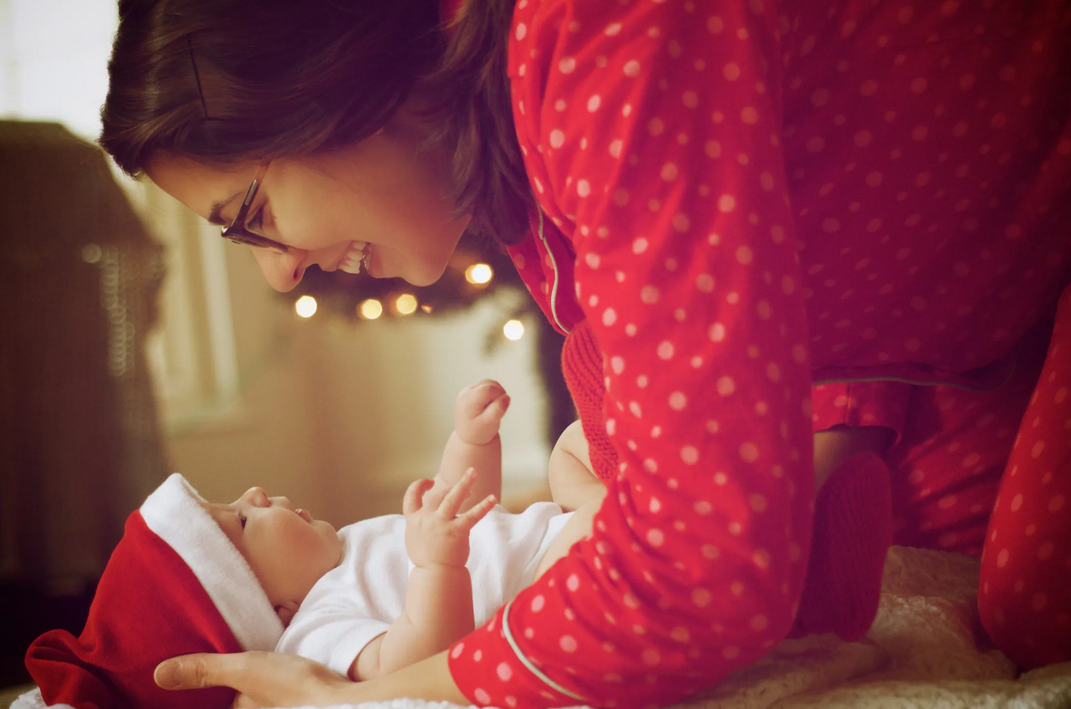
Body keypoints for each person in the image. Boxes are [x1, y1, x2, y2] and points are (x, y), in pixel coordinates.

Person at [97, 0, 1071, 707]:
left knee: (1032, 606)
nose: (280, 278)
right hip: (937, 339)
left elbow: (703, 578)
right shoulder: (519, 156)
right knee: (962, 591)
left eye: (254, 217)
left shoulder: (598, 32)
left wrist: (367, 703)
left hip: (994, 281)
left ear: (321, 79)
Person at [25, 380, 604, 709]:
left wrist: (469, 440)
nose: (254, 493)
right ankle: (650, 509)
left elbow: (458, 502)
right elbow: (416, 657)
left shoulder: (349, 550)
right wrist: (438, 562)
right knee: (607, 512)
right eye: (243, 523)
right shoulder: (317, 632)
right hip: (551, 582)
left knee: (573, 447)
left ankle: (642, 489)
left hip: (555, 530)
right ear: (269, 608)